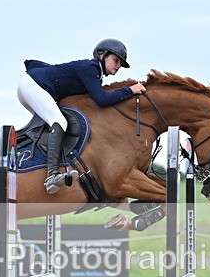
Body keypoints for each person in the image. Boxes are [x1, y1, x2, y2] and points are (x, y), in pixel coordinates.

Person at [17, 38, 147, 194]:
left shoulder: (94, 73)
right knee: (58, 122)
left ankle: (33, 158)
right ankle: (52, 175)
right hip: (33, 85)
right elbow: (102, 99)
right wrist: (130, 90)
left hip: (34, 87)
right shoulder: (91, 68)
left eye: (120, 63)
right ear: (101, 54)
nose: (118, 66)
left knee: (53, 125)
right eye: (116, 60)